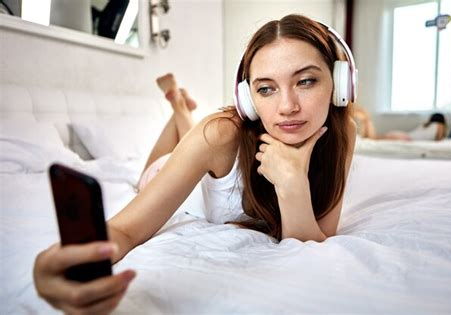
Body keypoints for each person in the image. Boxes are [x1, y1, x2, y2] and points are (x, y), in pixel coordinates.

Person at [33, 14, 357, 314]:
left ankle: (179, 105)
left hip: (207, 165)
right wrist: (65, 263)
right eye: (266, 89)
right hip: (166, 174)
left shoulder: (343, 133)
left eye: (305, 81)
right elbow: (125, 230)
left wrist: (292, 185)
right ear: (249, 99)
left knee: (201, 141)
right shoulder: (221, 133)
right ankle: (177, 105)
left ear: (339, 84)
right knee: (197, 141)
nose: (287, 106)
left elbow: (315, 244)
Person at [353, 104, 447, 141]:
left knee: (375, 138)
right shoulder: (440, 125)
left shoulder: (427, 125)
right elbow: (438, 138)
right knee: (374, 138)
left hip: (405, 136)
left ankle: (366, 120)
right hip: (407, 138)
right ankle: (366, 119)